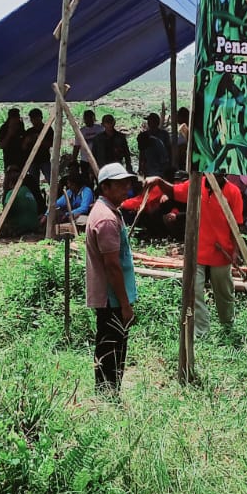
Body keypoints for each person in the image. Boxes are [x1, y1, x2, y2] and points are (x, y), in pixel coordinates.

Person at [142, 172, 246, 338]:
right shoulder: (196, 185)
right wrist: (159, 181)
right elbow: (174, 191)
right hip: (197, 250)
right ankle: (201, 332)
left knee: (224, 292)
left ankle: (228, 326)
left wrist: (235, 251)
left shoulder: (233, 192)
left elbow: (237, 225)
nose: (219, 172)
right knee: (195, 291)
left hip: (221, 253)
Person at [85, 163, 139, 392]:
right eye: (120, 185)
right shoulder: (106, 219)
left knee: (110, 344)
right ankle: (108, 392)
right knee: (112, 346)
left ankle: (107, 390)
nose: (126, 189)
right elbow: (112, 266)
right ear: (105, 187)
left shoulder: (107, 212)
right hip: (112, 298)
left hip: (112, 296)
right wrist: (125, 305)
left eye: (127, 183)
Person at [0, 166, 42, 236]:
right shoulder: (26, 190)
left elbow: (5, 213)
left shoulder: (11, 193)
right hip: (34, 226)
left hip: (19, 228)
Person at [136, 113, 174, 181]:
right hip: (149, 165)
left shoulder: (164, 134)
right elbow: (141, 152)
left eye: (151, 121)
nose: (149, 123)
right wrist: (140, 166)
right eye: (148, 121)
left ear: (157, 122)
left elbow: (169, 150)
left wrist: (170, 165)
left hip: (162, 166)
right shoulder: (144, 135)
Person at [20, 108, 54, 179]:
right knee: (34, 182)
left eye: (36, 118)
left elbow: (51, 144)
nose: (34, 121)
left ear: (41, 118)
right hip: (32, 161)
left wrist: (40, 138)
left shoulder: (48, 129)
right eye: (32, 119)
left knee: (50, 179)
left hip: (44, 159)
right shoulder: (29, 131)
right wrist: (27, 141)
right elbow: (23, 147)